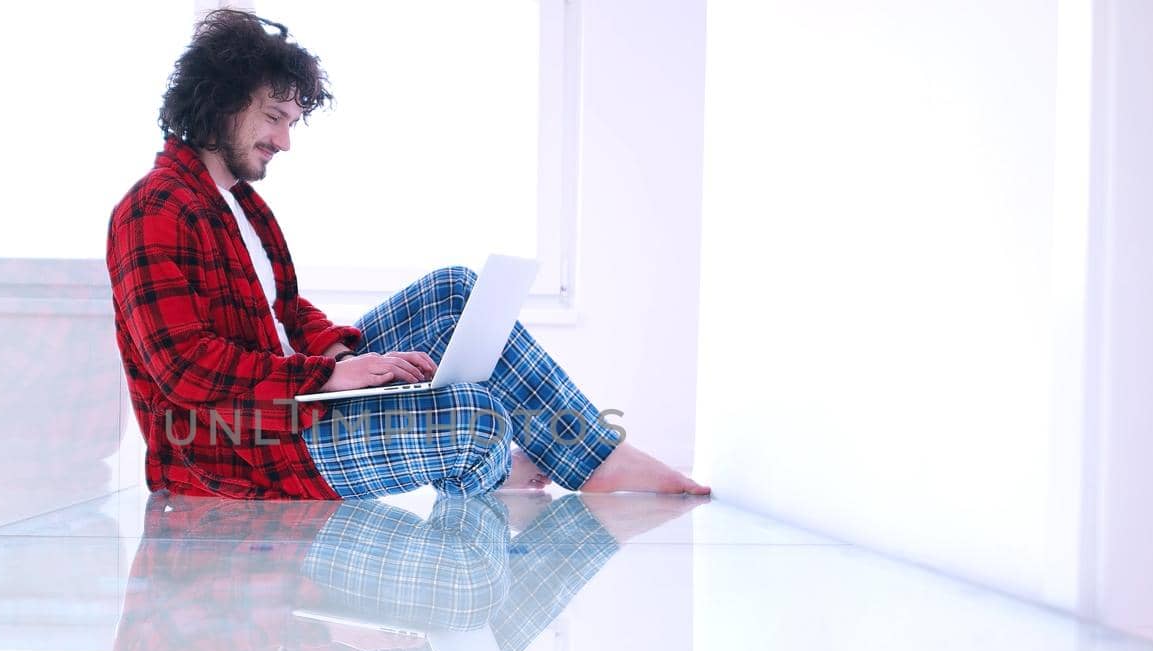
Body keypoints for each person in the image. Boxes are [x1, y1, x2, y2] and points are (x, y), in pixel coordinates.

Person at [107, 9, 711, 500]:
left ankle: (597, 458)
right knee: (477, 417)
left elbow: (285, 314)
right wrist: (332, 376)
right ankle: (497, 471)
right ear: (218, 103)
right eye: (273, 118)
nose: (285, 141)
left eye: (292, 122)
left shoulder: (243, 206)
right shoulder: (153, 211)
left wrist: (340, 352)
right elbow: (183, 369)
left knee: (456, 289)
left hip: (298, 394)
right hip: (240, 445)